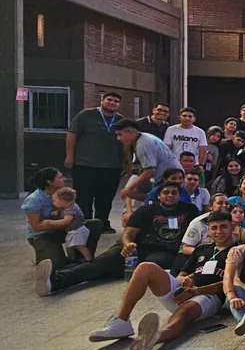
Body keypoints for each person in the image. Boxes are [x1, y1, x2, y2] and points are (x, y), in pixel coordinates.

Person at [87, 210, 235, 350]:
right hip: (182, 292)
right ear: (208, 230)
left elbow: (231, 283)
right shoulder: (202, 249)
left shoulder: (238, 251)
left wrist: (195, 291)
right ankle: (121, 320)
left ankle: (155, 337)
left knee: (183, 313)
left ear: (232, 227)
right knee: (146, 267)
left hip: (208, 297)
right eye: (214, 228)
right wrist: (183, 280)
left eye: (223, 227)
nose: (218, 231)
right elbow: (182, 273)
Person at [35, 181, 198, 296]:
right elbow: (128, 233)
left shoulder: (189, 210)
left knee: (108, 269)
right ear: (159, 195)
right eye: (166, 192)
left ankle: (59, 278)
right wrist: (127, 246)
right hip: (134, 250)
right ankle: (54, 281)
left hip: (165, 254)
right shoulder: (146, 210)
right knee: (99, 265)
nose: (170, 196)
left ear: (179, 195)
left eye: (174, 193)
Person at [66, 91, 125, 233]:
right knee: (84, 196)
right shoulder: (86, 115)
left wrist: (125, 163)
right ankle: (85, 223)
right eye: (109, 100)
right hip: (85, 164)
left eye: (116, 101)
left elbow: (125, 144)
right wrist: (69, 156)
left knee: (105, 198)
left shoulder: (121, 120)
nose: (112, 103)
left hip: (111, 166)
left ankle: (102, 223)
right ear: (102, 100)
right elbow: (72, 134)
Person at [23, 168, 104, 268]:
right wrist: (64, 222)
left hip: (65, 228)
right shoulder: (33, 200)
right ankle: (44, 254)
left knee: (94, 224)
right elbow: (36, 226)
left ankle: (81, 257)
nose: (64, 179)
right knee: (57, 265)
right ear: (50, 182)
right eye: (60, 178)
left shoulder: (63, 192)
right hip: (41, 235)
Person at [113, 119, 182, 201]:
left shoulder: (142, 145)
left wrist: (128, 188)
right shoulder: (145, 136)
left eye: (120, 134)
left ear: (130, 131)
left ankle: (152, 202)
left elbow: (150, 171)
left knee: (129, 191)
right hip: (169, 173)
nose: (118, 138)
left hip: (169, 177)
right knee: (134, 186)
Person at [50, 187, 92, 262]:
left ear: (62, 201)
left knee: (80, 247)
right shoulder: (66, 206)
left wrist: (50, 223)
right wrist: (58, 211)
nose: (52, 202)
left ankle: (89, 260)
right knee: (69, 246)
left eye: (54, 201)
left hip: (78, 230)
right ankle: (72, 259)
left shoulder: (70, 209)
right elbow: (62, 209)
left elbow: (67, 221)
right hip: (72, 230)